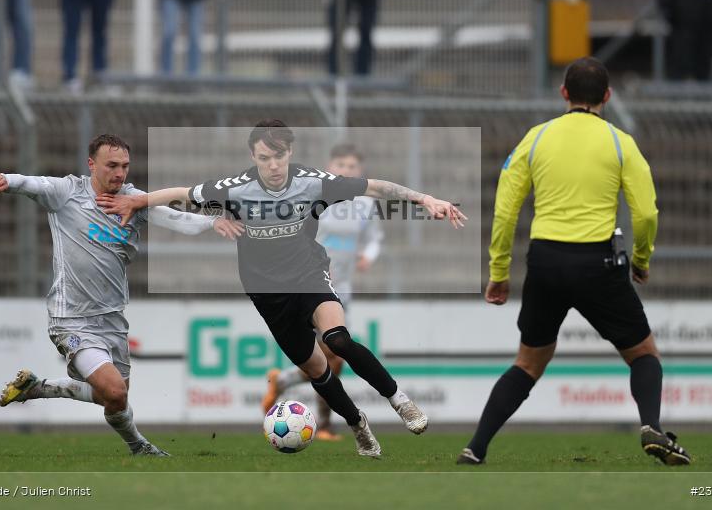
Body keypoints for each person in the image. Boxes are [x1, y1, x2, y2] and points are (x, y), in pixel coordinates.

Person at [97, 120, 467, 458]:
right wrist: (138, 199)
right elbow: (182, 192)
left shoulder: (313, 181)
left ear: (290, 154)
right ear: (253, 157)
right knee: (318, 371)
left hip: (309, 276)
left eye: (279, 157)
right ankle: (358, 426)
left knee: (337, 340)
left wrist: (425, 199)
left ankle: (400, 401)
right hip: (267, 294)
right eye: (264, 158)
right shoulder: (236, 188)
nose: (273, 166)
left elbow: (374, 186)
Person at [457, 57, 691, 466]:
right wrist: (641, 259)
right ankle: (651, 426)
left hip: (545, 261)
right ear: (607, 97)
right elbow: (647, 213)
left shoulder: (536, 137)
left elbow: (505, 210)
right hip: (597, 263)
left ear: (564, 93)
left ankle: (475, 447)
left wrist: (499, 272)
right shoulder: (621, 142)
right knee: (643, 354)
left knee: (528, 363)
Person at [0, 134, 242, 456]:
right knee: (114, 390)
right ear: (91, 164)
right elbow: (34, 184)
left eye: (124, 166)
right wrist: (7, 180)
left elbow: (175, 219)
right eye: (112, 166)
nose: (119, 173)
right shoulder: (68, 193)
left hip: (112, 318)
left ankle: (39, 388)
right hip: (72, 317)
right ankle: (140, 447)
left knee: (112, 397)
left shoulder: (132, 200)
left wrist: (212, 223)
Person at [260, 143, 383, 441]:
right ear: (330, 167)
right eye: (340, 164)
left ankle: (286, 383)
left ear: (360, 171)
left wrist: (369, 254)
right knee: (329, 356)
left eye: (352, 166)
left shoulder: (366, 205)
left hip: (343, 288)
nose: (346, 170)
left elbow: (374, 237)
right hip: (310, 284)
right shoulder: (316, 198)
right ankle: (325, 424)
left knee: (335, 359)